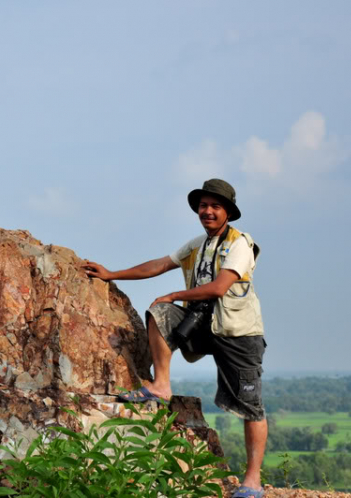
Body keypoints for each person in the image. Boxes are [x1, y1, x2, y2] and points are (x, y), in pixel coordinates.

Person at [83, 179, 267, 498]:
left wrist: (177, 293)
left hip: (238, 333)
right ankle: (161, 385)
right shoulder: (198, 244)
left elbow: (219, 287)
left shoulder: (240, 244)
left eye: (215, 206)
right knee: (160, 311)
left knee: (251, 407)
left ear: (228, 213)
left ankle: (252, 481)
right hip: (202, 326)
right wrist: (111, 274)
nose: (207, 212)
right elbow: (160, 264)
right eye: (203, 206)